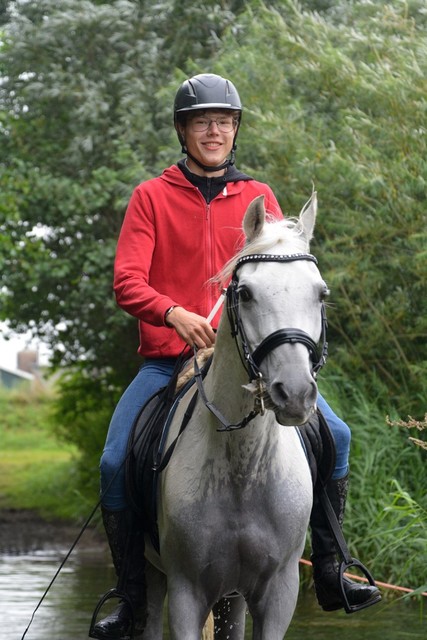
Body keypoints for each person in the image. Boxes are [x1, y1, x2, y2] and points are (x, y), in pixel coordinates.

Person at [91, 73, 380, 640]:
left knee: (338, 436)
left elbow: (279, 286)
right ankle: (129, 597)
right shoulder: (150, 196)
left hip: (247, 363)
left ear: (235, 130)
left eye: (224, 122)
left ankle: (330, 569)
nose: (215, 131)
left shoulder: (259, 197)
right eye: (203, 122)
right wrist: (173, 313)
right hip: (166, 361)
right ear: (183, 130)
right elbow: (127, 282)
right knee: (111, 461)